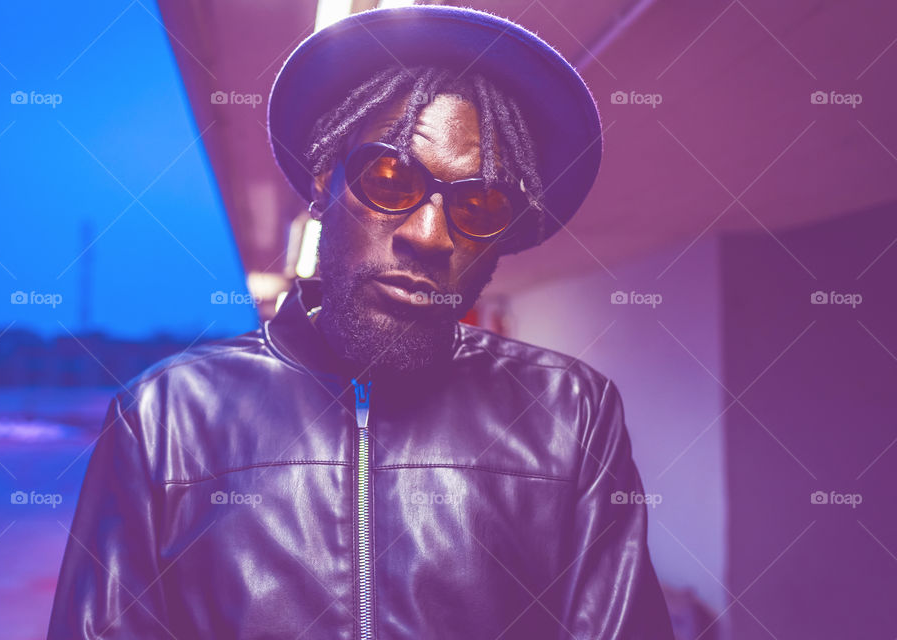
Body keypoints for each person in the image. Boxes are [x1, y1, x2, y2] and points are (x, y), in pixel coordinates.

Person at [47, 6, 674, 639]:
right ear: (325, 180)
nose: (429, 235)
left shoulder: (570, 412)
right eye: (390, 178)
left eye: (479, 204)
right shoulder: (166, 418)